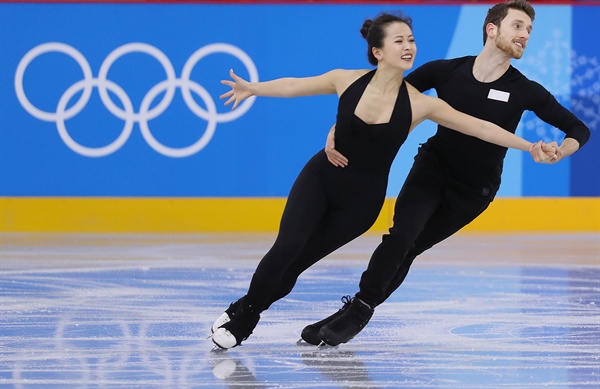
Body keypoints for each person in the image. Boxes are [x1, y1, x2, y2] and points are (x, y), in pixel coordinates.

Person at [210, 11, 557, 349]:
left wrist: (530, 146)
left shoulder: (421, 104)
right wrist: (252, 88)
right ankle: (244, 321)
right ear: (378, 51)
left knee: (298, 261)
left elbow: (482, 128)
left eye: (411, 39)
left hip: (361, 202)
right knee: (286, 248)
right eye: (399, 40)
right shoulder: (345, 79)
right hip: (322, 176)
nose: (409, 46)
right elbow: (293, 86)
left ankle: (242, 308)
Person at [304, 0, 591, 347]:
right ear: (492, 29)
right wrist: (340, 126)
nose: (525, 35)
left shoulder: (525, 89)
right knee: (401, 238)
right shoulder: (445, 71)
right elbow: (385, 94)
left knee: (410, 249)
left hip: (473, 191)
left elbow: (578, 128)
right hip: (432, 169)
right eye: (517, 26)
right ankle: (360, 309)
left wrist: (562, 151)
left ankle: (355, 309)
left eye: (529, 30)